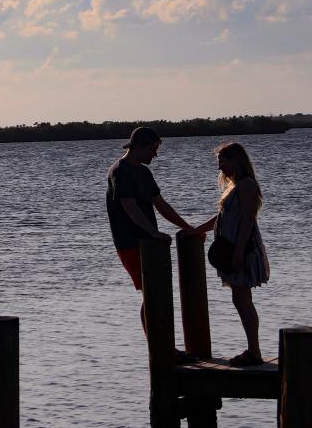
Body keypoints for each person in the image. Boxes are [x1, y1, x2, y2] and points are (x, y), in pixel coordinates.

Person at [106, 126, 201, 345]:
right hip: (130, 243)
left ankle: (163, 345)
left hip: (150, 243)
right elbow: (129, 207)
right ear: (140, 146)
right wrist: (153, 232)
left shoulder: (144, 172)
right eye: (153, 149)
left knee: (156, 292)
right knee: (150, 294)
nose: (155, 154)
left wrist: (187, 227)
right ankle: (157, 347)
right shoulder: (119, 171)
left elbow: (161, 204)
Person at [192, 142, 269, 366]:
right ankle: (253, 349)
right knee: (240, 299)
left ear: (236, 160)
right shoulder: (234, 186)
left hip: (243, 249)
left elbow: (247, 220)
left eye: (223, 162)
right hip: (233, 248)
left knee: (243, 300)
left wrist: (238, 252)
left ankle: (254, 351)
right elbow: (223, 217)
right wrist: (198, 230)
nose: (220, 168)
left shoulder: (246, 185)